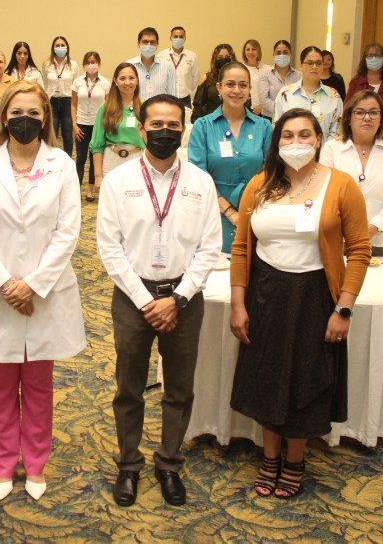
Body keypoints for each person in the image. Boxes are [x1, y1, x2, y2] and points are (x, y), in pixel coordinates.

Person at [229, 108, 371, 499]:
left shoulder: (340, 185)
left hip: (315, 297)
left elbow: (359, 251)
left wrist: (343, 309)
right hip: (265, 293)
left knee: (305, 380)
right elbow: (241, 248)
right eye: (287, 136)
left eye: (304, 135)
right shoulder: (259, 184)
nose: (296, 143)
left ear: (319, 139)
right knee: (267, 377)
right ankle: (269, 457)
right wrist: (238, 304)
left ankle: (295, 460)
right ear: (277, 143)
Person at [0, 81, 85, 501]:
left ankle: (36, 463)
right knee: (0, 386)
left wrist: (33, 284)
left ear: (45, 117)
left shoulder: (62, 165)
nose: (24, 120)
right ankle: (3, 462)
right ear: (3, 118)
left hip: (45, 292)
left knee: (40, 387)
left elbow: (68, 232)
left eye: (33, 113)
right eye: (16, 113)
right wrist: (8, 284)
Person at [96, 95, 221, 507]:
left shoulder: (201, 182)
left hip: (184, 297)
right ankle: (128, 464)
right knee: (128, 388)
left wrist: (178, 298)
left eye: (173, 125)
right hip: (133, 297)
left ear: (183, 130)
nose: (164, 132)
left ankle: (169, 463)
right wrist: (144, 300)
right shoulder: (118, 181)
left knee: (180, 389)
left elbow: (210, 248)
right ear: (142, 129)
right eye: (156, 125)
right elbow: (109, 248)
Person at [189, 62, 273, 253]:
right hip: (214, 211)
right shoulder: (203, 126)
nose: (236, 90)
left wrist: (249, 210)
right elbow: (199, 175)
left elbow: (271, 172)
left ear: (250, 89)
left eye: (243, 85)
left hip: (255, 211)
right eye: (230, 84)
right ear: (219, 87)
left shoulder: (263, 127)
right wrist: (230, 212)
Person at [320, 90, 383, 254]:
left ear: (381, 119)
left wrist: (374, 227)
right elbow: (323, 193)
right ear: (349, 118)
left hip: (376, 239)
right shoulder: (331, 149)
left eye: (373, 112)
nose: (367, 118)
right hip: (336, 238)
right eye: (360, 112)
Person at [89, 62, 144, 187]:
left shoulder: (144, 107)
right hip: (111, 160)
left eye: (131, 78)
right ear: (115, 81)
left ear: (137, 81)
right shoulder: (106, 107)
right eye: (122, 78)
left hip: (137, 160)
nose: (127, 82)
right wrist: (98, 176)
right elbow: (97, 144)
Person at [274, 46, 343, 139]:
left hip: (325, 148)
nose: (314, 67)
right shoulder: (285, 94)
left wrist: (323, 148)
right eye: (310, 63)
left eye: (318, 63)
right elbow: (277, 129)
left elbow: (337, 131)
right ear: (301, 65)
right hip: (291, 147)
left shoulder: (333, 96)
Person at [347, 43, 383, 142]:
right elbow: (347, 107)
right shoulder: (356, 81)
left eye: (377, 55)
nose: (373, 58)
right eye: (370, 55)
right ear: (365, 59)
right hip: (361, 132)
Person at [71, 51, 109, 202]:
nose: (91, 65)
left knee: (95, 158)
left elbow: (108, 106)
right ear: (83, 65)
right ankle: (77, 189)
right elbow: (73, 105)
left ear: (99, 64)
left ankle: (90, 190)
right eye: (88, 62)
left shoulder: (105, 83)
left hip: (98, 125)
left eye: (94, 62)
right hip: (81, 124)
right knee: (80, 158)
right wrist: (74, 125)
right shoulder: (77, 82)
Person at [40, 35, 80, 157]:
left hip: (68, 102)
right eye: (57, 45)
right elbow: (45, 84)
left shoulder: (73, 65)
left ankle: (67, 160)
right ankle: (51, 159)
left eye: (62, 45)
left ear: (67, 48)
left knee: (67, 135)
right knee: (52, 133)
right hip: (52, 101)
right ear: (53, 48)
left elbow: (76, 85)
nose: (60, 47)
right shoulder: (47, 64)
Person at [128, 27, 177, 101]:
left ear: (157, 44)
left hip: (160, 108)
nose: (149, 45)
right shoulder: (129, 65)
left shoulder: (168, 66)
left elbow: (173, 96)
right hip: (136, 108)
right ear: (138, 44)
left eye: (152, 42)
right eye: (145, 42)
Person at [191, 44, 237, 123]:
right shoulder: (206, 78)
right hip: (211, 122)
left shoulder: (238, 78)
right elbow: (198, 105)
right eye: (220, 57)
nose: (224, 59)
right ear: (215, 59)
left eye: (227, 57)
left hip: (234, 120)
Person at [158, 26, 200, 108]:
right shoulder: (161, 55)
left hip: (185, 99)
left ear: (185, 38)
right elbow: (159, 76)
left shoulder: (192, 56)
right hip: (166, 98)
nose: (178, 39)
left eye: (181, 37)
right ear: (170, 38)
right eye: (175, 36)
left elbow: (195, 78)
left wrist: (188, 91)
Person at [258, 40, 300, 118]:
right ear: (273, 55)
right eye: (278, 53)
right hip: (269, 118)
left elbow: (300, 98)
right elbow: (263, 99)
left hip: (292, 118)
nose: (282, 55)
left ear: (291, 54)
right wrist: (283, 110)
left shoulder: (299, 76)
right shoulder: (265, 74)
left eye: (285, 52)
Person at [241, 39, 270, 116]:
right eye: (248, 49)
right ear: (244, 52)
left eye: (253, 49)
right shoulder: (239, 68)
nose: (250, 52)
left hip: (263, 111)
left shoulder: (267, 69)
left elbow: (273, 92)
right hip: (243, 110)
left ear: (258, 51)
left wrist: (262, 107)